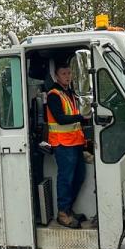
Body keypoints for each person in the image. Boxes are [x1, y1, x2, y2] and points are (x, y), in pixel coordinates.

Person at [43, 61, 90, 228]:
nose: (68, 76)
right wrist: (81, 118)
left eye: (69, 73)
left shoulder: (70, 93)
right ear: (56, 75)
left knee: (79, 177)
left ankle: (68, 210)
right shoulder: (53, 95)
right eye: (64, 73)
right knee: (66, 179)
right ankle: (63, 214)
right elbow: (61, 119)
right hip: (63, 144)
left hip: (75, 143)